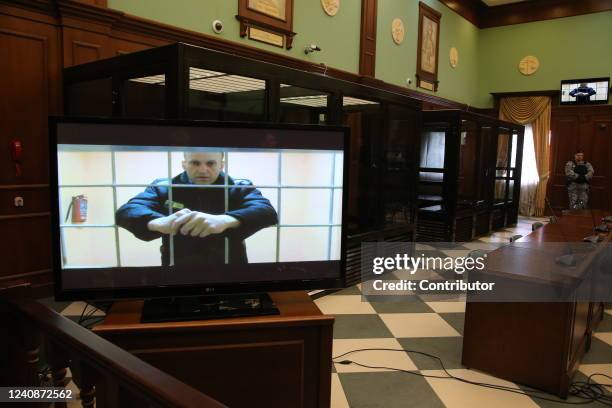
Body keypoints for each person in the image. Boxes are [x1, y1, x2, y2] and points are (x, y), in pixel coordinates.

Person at [116, 151, 278, 266]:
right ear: (184, 164)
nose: (202, 170)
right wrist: (158, 222)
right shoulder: (162, 187)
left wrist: (224, 220)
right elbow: (127, 211)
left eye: (210, 163)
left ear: (221, 165)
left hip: (231, 268)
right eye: (195, 163)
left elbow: (266, 211)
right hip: (178, 270)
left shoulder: (239, 186)